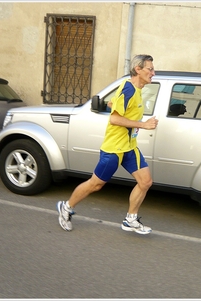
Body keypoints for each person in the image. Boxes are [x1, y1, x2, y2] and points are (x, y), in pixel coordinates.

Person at [56, 54, 158, 235]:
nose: (153, 72)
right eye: (150, 69)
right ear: (138, 69)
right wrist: (144, 124)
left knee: (145, 181)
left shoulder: (136, 89)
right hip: (114, 149)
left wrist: (114, 103)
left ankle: (130, 219)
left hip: (129, 147)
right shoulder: (128, 89)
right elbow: (114, 119)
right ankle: (66, 207)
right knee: (95, 184)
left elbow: (116, 105)